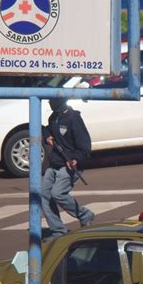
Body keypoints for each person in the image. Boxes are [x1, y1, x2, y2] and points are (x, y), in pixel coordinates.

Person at [41, 98, 94, 241]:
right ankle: (58, 231)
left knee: (58, 193)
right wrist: (47, 137)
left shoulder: (73, 118)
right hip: (55, 163)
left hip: (70, 165)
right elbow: (45, 130)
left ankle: (84, 214)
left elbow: (85, 146)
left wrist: (76, 159)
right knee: (44, 195)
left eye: (52, 100)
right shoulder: (54, 117)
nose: (49, 103)